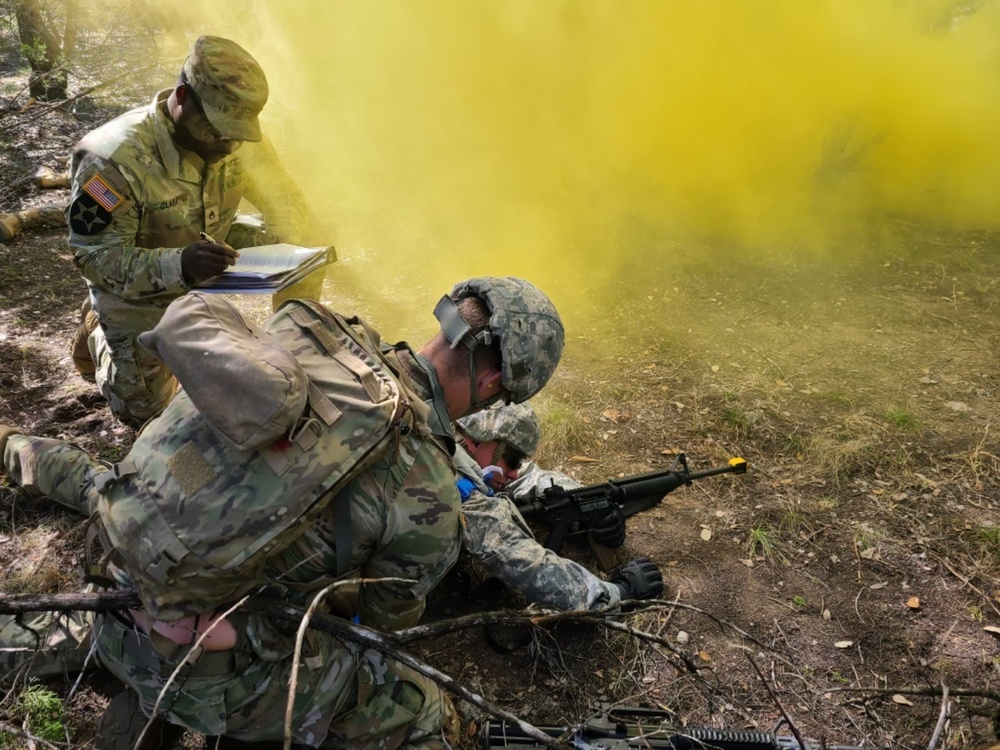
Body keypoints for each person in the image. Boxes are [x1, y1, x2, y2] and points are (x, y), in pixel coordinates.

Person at [0, 275, 565, 749]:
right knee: (416, 703)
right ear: (494, 383)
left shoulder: (315, 338)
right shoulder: (429, 494)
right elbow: (384, 622)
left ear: (447, 319)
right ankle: (192, 700)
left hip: (112, 579)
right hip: (196, 659)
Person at [67, 35, 328, 425]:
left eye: (237, 132)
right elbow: (93, 256)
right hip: (141, 278)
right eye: (218, 130)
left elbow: (283, 196)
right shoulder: (113, 160)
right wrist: (180, 266)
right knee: (146, 413)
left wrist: (286, 241)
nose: (228, 144)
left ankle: (291, 355)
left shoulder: (235, 136)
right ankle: (99, 331)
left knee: (307, 253)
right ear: (183, 97)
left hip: (211, 243)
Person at [453, 403, 663, 612]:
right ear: (475, 441)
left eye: (519, 461)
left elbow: (531, 478)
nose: (514, 473)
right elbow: (516, 556)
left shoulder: (456, 444)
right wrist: (617, 594)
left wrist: (587, 505)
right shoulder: (455, 489)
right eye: (513, 460)